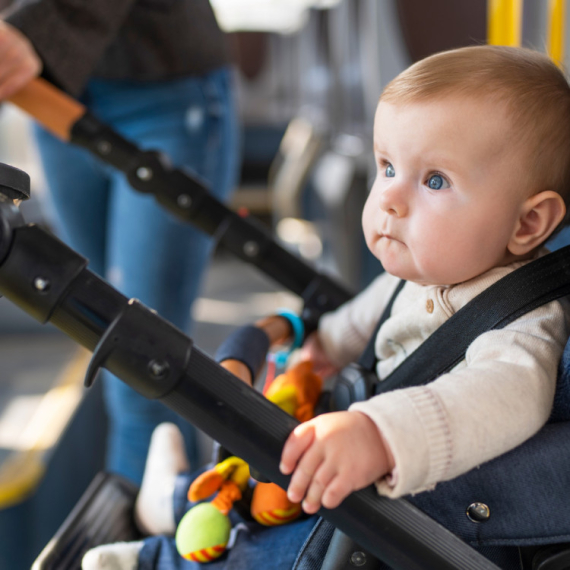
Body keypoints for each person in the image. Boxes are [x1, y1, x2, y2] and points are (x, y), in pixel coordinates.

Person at [83, 45, 570, 569]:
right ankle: (178, 499)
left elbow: (494, 400)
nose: (390, 199)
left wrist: (382, 434)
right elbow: (356, 323)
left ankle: (155, 561)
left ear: (527, 225)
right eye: (387, 167)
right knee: (278, 471)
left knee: (280, 548)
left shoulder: (522, 325)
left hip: (412, 503)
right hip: (346, 457)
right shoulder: (418, 276)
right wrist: (319, 350)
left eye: (434, 181)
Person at [0, 1, 240, 483]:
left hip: (162, 88)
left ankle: (148, 553)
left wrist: (33, 30)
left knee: (141, 366)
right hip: (53, 97)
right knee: (103, 341)